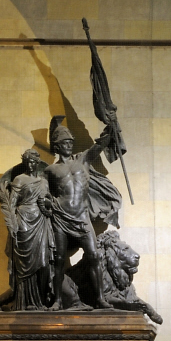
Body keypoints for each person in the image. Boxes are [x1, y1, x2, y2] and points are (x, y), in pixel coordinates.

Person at [44, 120, 119, 310]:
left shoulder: (82, 160)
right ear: (57, 146)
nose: (69, 145)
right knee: (59, 259)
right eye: (65, 143)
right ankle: (58, 300)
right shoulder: (50, 170)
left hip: (81, 217)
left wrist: (110, 129)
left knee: (94, 255)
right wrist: (45, 203)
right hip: (60, 218)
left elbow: (98, 147)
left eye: (70, 142)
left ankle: (101, 298)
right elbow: (43, 193)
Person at [0, 149, 57, 310]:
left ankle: (40, 300)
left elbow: (49, 203)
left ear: (38, 163)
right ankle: (25, 303)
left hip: (41, 222)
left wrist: (47, 205)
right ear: (25, 163)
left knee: (44, 263)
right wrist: (12, 224)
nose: (31, 165)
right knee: (24, 265)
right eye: (28, 162)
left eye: (34, 162)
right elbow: (11, 203)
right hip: (24, 221)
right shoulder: (19, 180)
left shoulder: (44, 182)